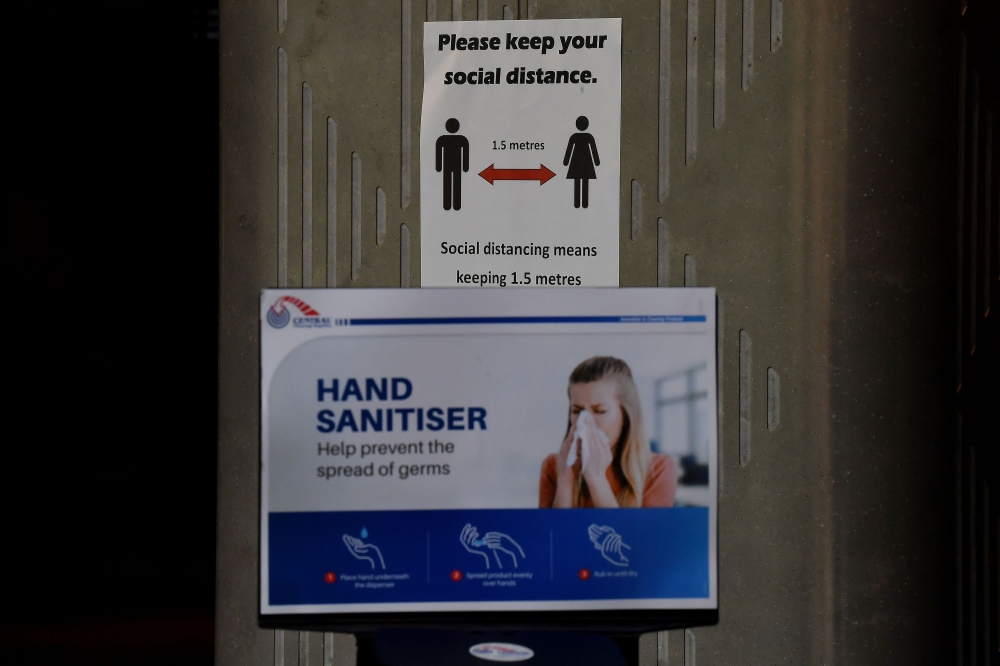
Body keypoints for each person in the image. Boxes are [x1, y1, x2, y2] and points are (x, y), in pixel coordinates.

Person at [539, 356, 676, 508]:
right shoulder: (554, 465)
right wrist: (565, 479)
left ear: (625, 415)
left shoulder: (658, 469)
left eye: (600, 411)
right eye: (577, 411)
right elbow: (553, 531)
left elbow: (631, 533)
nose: (584, 422)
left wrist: (596, 479)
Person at [562, 115, 600, 209]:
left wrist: (566, 161)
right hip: (586, 161)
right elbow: (593, 150)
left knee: (578, 182)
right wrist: (596, 161)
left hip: (576, 161)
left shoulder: (574, 136)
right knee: (584, 182)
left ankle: (577, 203)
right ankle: (584, 203)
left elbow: (569, 150)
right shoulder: (588, 136)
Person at [436, 118, 469, 210]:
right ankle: (455, 205)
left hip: (447, 166)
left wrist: (438, 167)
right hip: (456, 166)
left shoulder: (442, 139)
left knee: (449, 183)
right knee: (455, 183)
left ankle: (449, 205)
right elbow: (465, 154)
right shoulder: (462, 139)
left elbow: (439, 154)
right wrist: (465, 167)